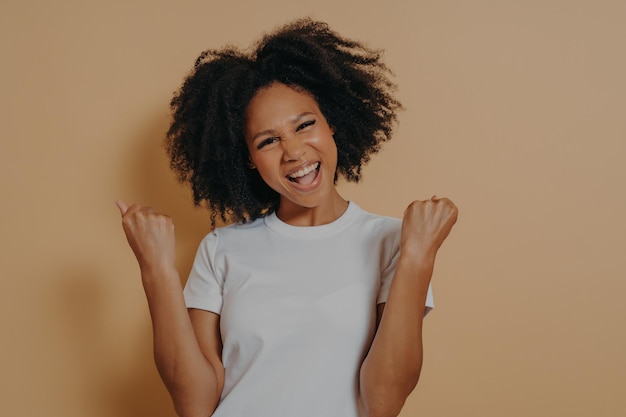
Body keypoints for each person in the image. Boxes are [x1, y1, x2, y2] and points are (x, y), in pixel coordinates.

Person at [116, 18, 458, 417]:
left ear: (331, 123)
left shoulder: (394, 241)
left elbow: (382, 403)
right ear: (248, 158)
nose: (293, 151)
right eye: (268, 140)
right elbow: (195, 405)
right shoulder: (221, 249)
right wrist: (156, 270)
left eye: (305, 125)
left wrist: (419, 256)